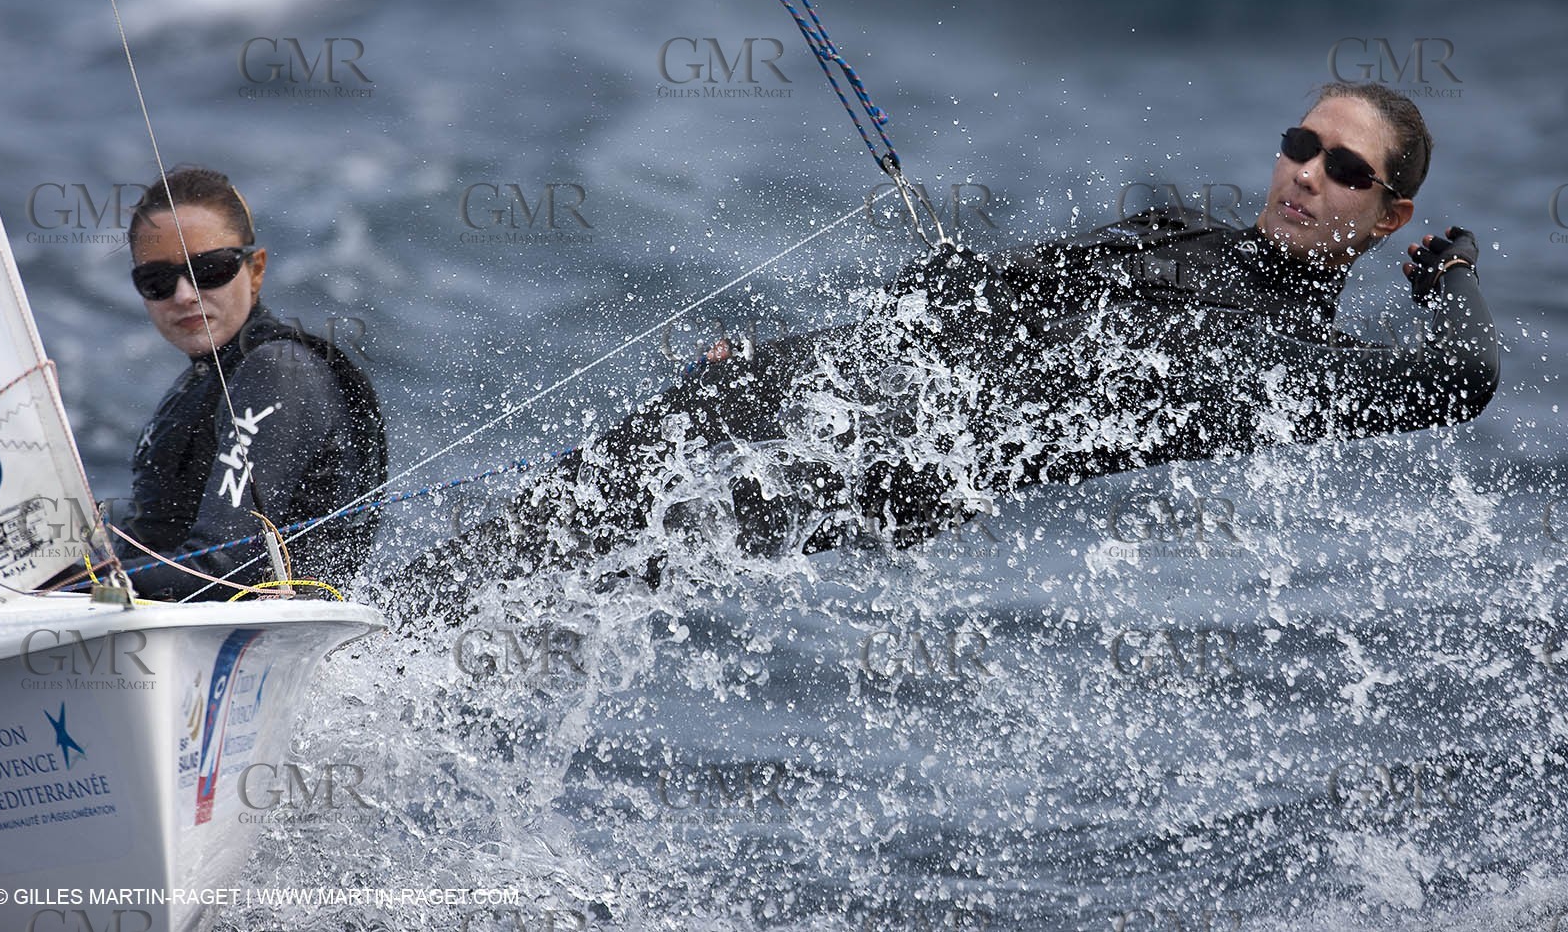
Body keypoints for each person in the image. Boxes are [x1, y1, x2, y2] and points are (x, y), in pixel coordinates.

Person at [404, 82, 1497, 590]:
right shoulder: (1178, 229)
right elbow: (993, 298)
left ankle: (378, 649)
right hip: (868, 387)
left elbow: (1462, 378)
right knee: (593, 495)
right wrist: (906, 302)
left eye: (1345, 168)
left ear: (1386, 215)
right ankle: (372, 632)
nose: (1307, 172)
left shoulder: (1299, 363)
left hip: (909, 456)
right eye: (1301, 142)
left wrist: (1448, 277)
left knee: (604, 544)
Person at [109, 167, 387, 600]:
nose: (184, 295)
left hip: (280, 650)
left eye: (209, 269)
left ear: (255, 270)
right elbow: (150, 542)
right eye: (157, 281)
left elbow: (221, 569)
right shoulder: (195, 386)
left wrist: (74, 584)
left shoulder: (278, 371)